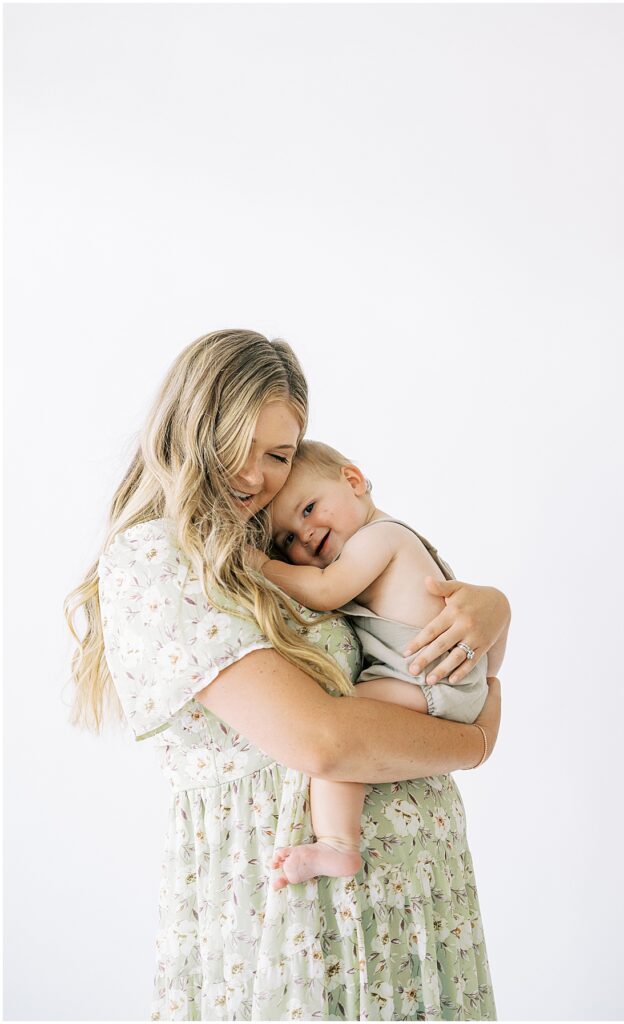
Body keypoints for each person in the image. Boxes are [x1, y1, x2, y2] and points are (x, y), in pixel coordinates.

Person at [65, 329, 509, 1022]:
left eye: (276, 455)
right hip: (288, 915)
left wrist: (494, 608)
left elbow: (428, 637)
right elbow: (324, 743)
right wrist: (477, 744)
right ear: (189, 430)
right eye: (234, 445)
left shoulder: (283, 545)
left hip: (413, 902)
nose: (253, 476)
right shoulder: (159, 558)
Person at [252, 439, 499, 889]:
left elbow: (326, 590)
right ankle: (337, 844)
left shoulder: (380, 537)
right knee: (344, 725)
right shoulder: (383, 540)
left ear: (352, 481)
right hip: (437, 680)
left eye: (308, 509)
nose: (303, 535)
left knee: (341, 727)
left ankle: (337, 844)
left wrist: (263, 564)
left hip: (426, 683)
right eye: (286, 538)